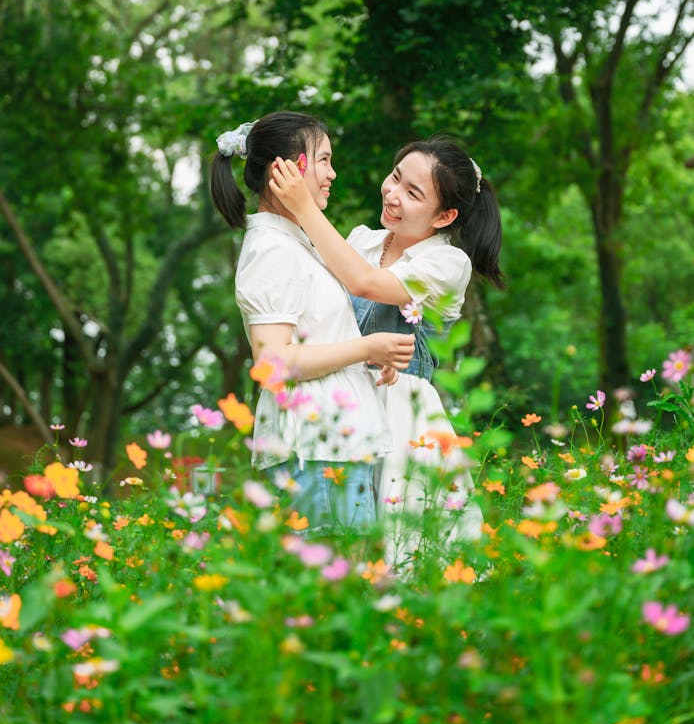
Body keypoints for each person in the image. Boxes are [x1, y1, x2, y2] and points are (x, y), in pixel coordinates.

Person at [269, 135, 504, 567]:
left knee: (402, 549)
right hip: (341, 404)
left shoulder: (448, 265)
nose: (393, 195)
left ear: (445, 215)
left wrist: (304, 209)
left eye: (413, 194)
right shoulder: (361, 241)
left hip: (402, 416)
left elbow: (366, 284)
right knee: (337, 550)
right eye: (395, 178)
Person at [209, 111, 415, 535]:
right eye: (322, 159)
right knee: (335, 595)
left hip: (332, 451)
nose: (332, 173)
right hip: (315, 455)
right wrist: (367, 347)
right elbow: (272, 363)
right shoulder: (270, 249)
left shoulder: (295, 244)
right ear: (283, 169)